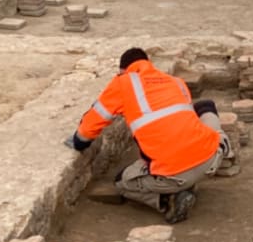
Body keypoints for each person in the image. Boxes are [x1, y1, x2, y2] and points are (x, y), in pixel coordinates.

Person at [64, 47, 230, 223]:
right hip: (211, 159)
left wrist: (79, 142)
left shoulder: (124, 82)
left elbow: (92, 122)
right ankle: (226, 149)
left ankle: (168, 201)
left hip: (176, 174)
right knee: (205, 106)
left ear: (123, 71)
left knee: (123, 182)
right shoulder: (175, 81)